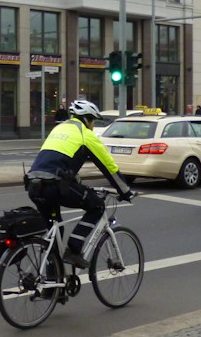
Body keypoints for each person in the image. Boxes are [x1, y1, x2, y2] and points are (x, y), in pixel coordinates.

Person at [25, 99, 134, 270]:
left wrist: (77, 183)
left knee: (55, 232)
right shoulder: (85, 134)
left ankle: (52, 285)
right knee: (97, 206)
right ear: (87, 119)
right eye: (93, 121)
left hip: (34, 184)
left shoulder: (58, 129)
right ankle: (74, 249)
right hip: (54, 186)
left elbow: (58, 161)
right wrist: (125, 191)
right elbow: (108, 167)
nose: (92, 126)